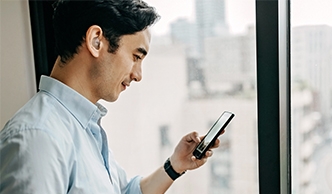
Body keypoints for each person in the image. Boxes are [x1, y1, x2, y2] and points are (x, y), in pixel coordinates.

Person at [0, 0, 223, 193]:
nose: (138, 75)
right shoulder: (39, 138)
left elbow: (125, 191)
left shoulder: (84, 128)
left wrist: (175, 165)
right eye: (136, 57)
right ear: (96, 41)